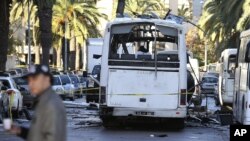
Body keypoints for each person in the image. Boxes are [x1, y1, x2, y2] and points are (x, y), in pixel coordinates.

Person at [8, 64, 66, 141]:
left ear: (46, 80)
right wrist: (20, 131)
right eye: (29, 80)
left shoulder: (50, 104)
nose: (30, 84)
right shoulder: (44, 101)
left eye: (35, 79)